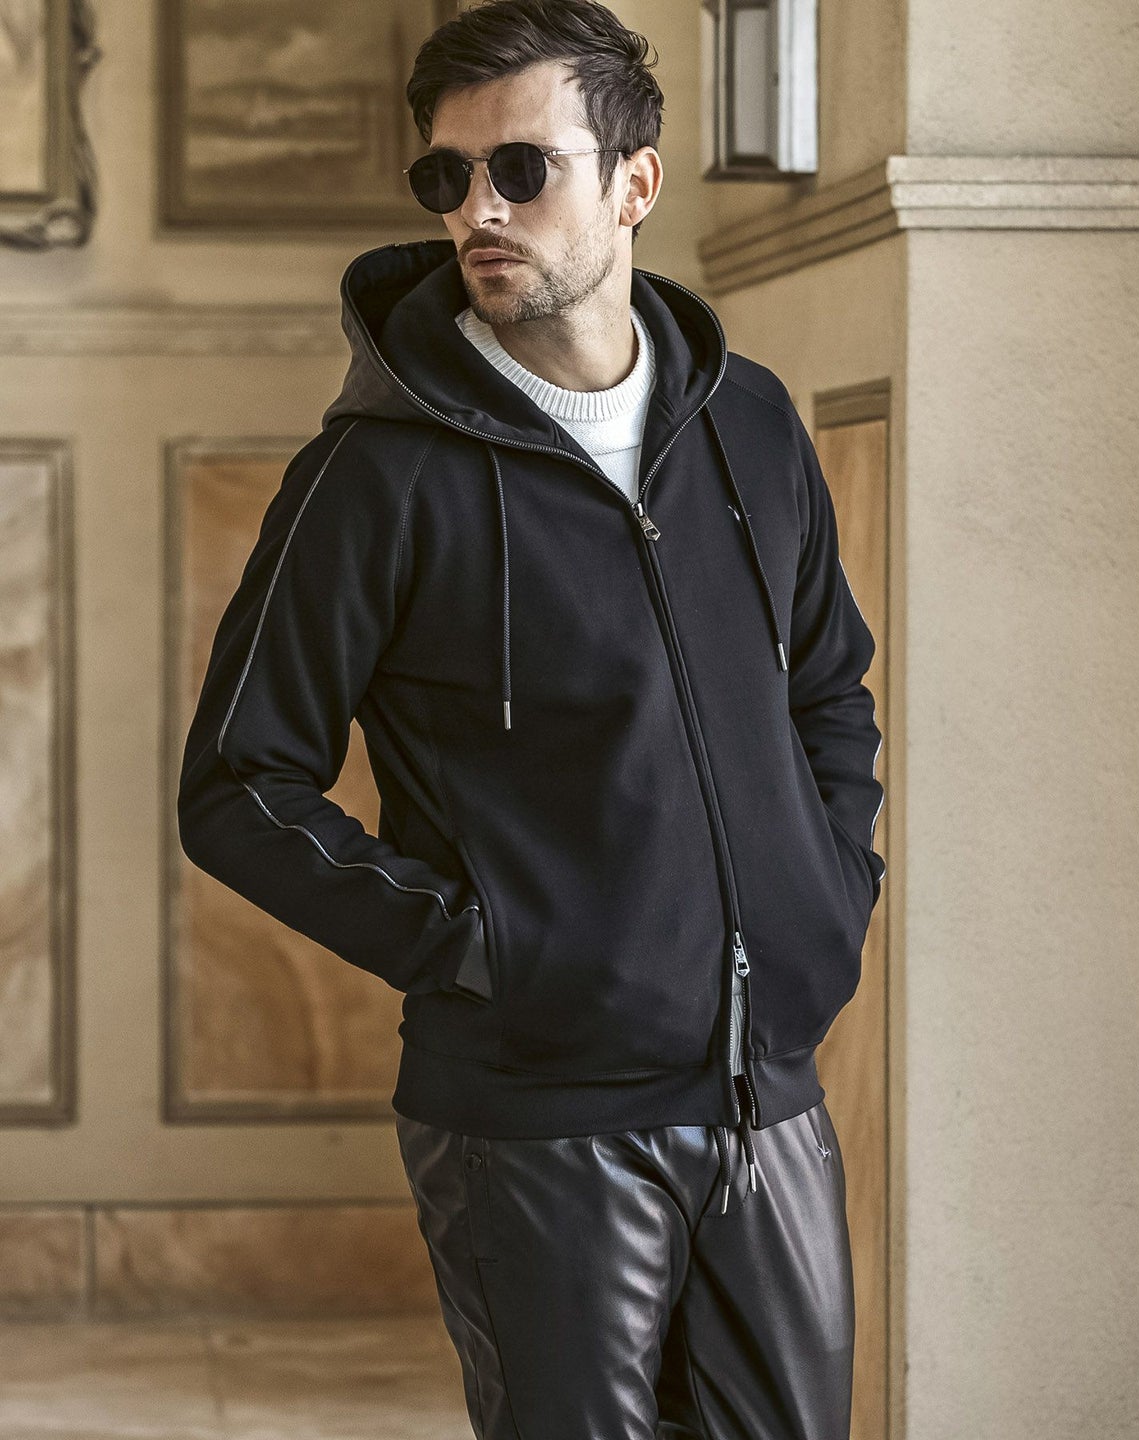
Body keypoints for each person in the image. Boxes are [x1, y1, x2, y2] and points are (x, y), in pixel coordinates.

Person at [176, 1, 886, 1435]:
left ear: (636, 183)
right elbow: (238, 786)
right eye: (447, 176)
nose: (476, 211)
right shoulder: (374, 477)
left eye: (520, 168)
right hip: (534, 1117)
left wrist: (829, 890)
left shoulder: (751, 424)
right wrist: (478, 948)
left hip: (769, 1093)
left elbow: (826, 690)